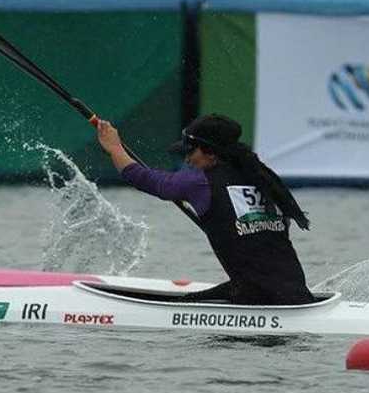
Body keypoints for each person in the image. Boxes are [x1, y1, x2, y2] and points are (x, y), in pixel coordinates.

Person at [95, 114, 315, 306]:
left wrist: (115, 148)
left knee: (183, 306)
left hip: (258, 297)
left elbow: (147, 180)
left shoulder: (201, 182)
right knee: (191, 299)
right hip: (294, 292)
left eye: (190, 151)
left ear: (211, 153)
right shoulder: (261, 177)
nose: (188, 158)